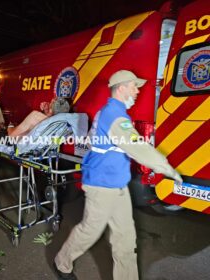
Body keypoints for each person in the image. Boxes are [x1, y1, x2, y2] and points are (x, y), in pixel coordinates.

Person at [54, 70, 182, 280]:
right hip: (102, 186)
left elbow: (92, 139)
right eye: (134, 86)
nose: (137, 90)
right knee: (90, 231)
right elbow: (136, 146)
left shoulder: (108, 112)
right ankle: (62, 262)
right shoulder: (115, 116)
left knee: (125, 240)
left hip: (116, 184)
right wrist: (166, 168)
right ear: (121, 88)